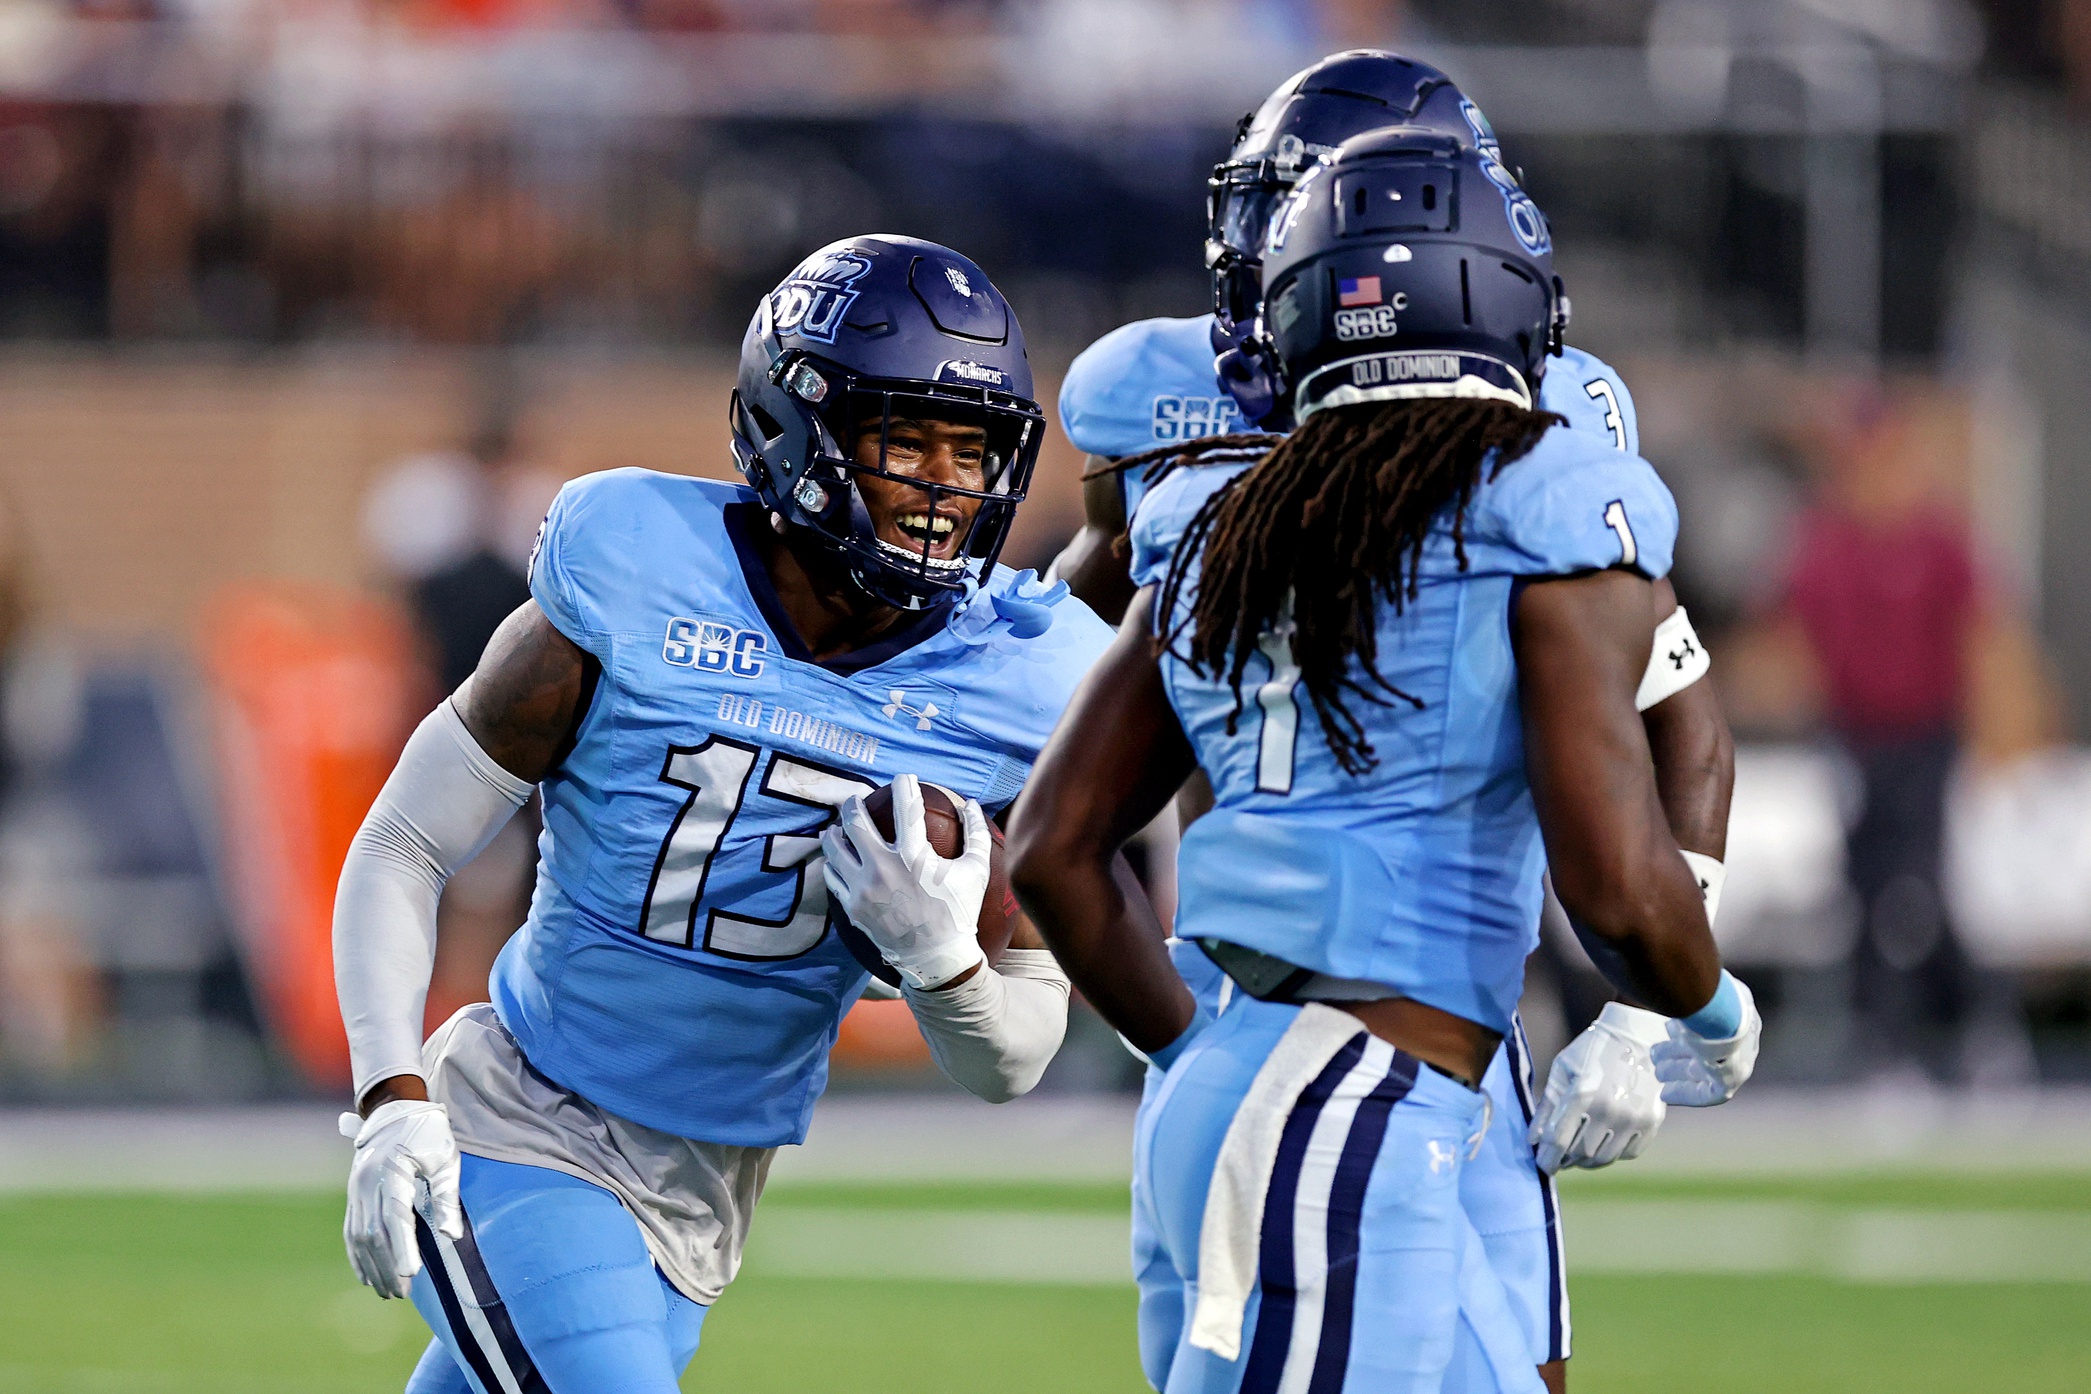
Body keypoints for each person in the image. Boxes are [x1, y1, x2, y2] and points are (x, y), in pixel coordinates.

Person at [1011, 129, 1760, 1394]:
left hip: (1286, 1081)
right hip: (1346, 1106)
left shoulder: (1213, 509)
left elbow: (1054, 844)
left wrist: (1193, 1046)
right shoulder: (1548, 494)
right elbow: (1621, 884)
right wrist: (1711, 1009)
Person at [331, 235, 1113, 1394]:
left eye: (976, 446)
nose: (948, 486)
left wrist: (945, 963)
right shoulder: (636, 567)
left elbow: (1016, 1056)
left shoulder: (1028, 675)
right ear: (796, 426)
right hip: (523, 1124)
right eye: (908, 437)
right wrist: (392, 1097)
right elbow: (404, 841)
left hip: (708, 1179)